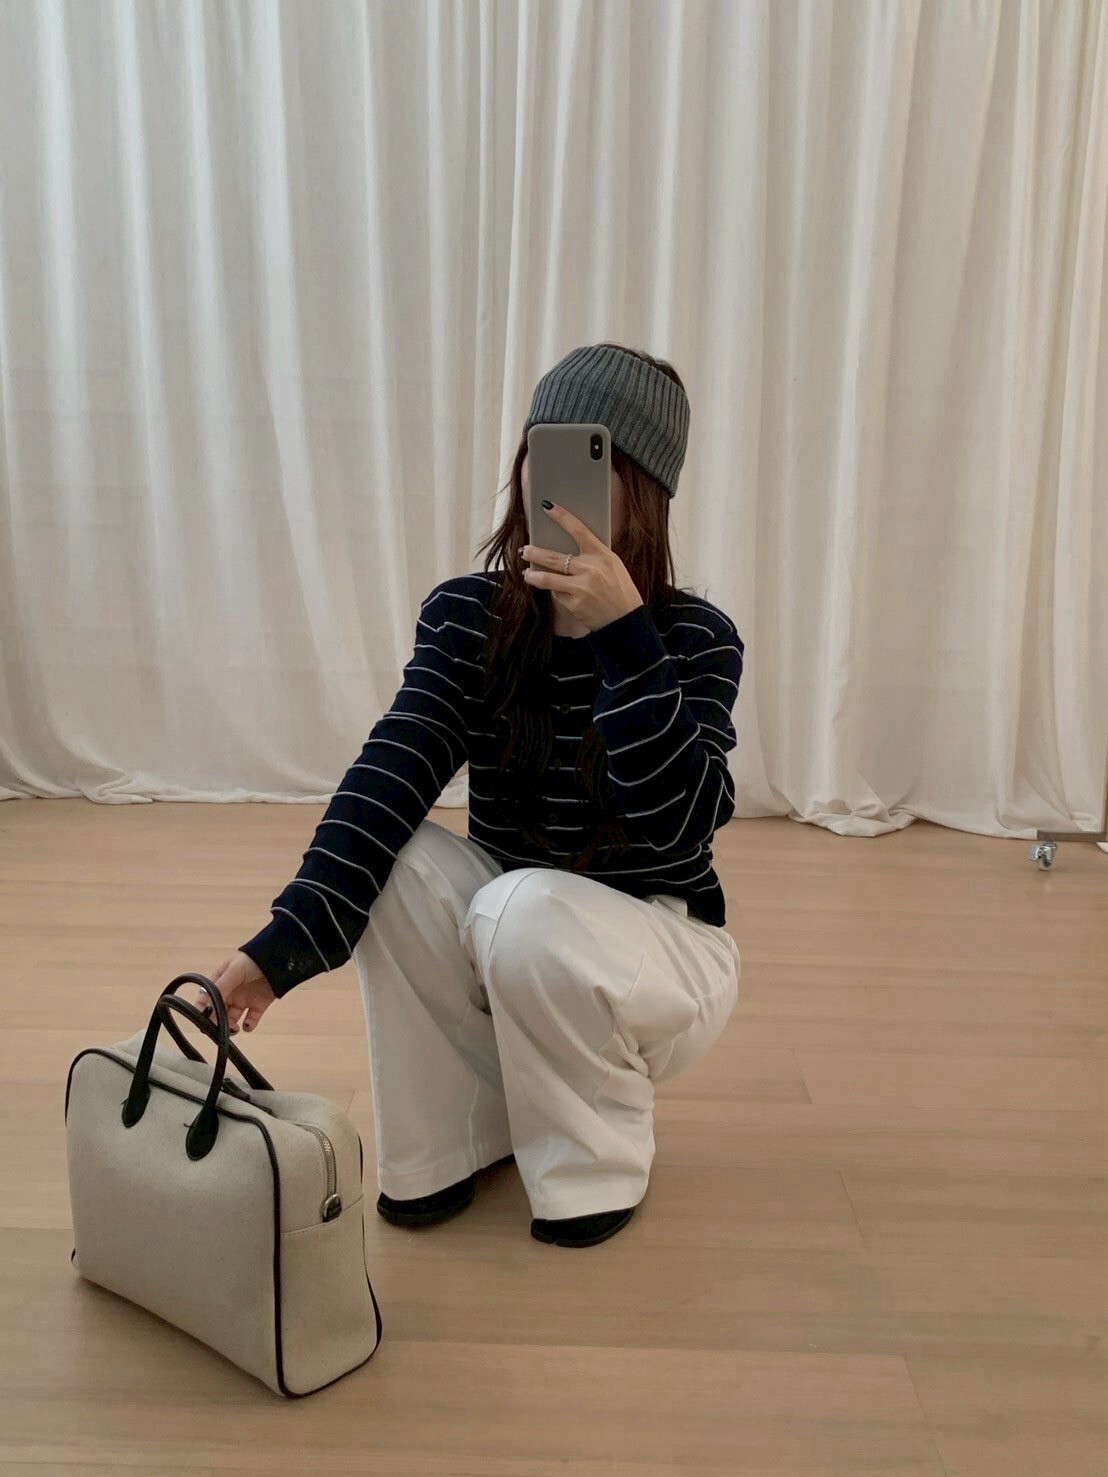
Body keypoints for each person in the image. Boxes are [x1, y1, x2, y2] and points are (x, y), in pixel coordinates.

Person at [197, 342, 744, 1249]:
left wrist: (626, 641)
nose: (551, 479)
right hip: (512, 926)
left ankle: (593, 1161)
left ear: (642, 492)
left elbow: (683, 828)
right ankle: (450, 1142)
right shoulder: (468, 616)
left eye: (590, 457)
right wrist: (277, 949)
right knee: (405, 861)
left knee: (520, 908)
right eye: (541, 446)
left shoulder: (695, 639)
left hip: (660, 946)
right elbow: (389, 773)